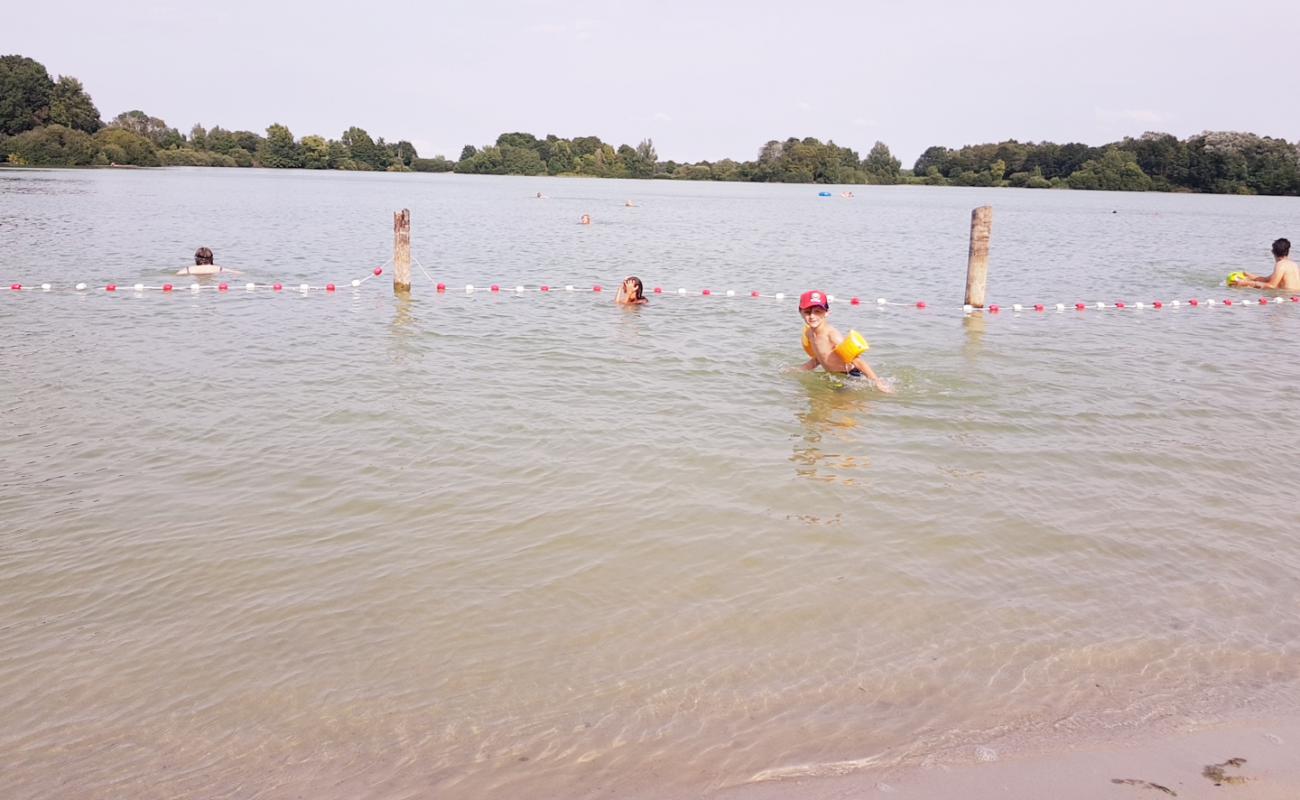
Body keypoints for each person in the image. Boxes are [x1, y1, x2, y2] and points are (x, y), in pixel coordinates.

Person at [797, 290, 892, 393]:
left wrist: (877, 382)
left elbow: (857, 361)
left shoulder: (832, 335)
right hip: (835, 376)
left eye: (817, 312)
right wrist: (800, 370)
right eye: (807, 312)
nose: (812, 316)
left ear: (827, 313)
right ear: (800, 312)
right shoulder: (809, 334)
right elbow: (819, 359)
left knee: (840, 404)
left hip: (850, 376)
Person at [1232, 238, 1300, 289]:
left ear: (1273, 252)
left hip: (1287, 298)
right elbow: (1267, 280)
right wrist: (1250, 276)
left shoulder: (1280, 265)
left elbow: (1271, 286)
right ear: (1288, 251)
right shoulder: (1294, 264)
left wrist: (1247, 283)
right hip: (1295, 298)